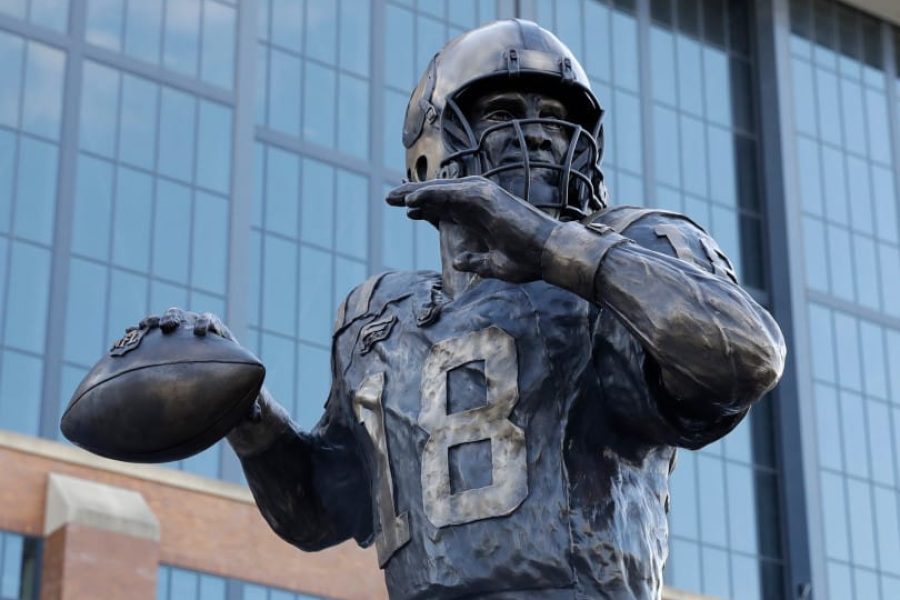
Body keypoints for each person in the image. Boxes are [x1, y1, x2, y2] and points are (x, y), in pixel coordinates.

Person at [154, 20, 785, 600]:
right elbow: (323, 508)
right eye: (506, 111)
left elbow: (745, 357)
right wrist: (251, 416)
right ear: (434, 144)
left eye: (556, 115)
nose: (539, 129)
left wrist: (553, 249)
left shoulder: (635, 254)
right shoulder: (378, 318)